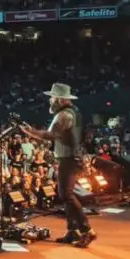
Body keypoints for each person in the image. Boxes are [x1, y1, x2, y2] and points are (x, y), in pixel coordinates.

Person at [18, 84, 94, 247]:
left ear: (59, 99)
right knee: (66, 195)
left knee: (66, 194)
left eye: (52, 98)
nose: (50, 101)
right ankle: (73, 231)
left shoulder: (63, 116)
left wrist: (30, 131)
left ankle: (86, 229)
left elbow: (50, 135)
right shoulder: (73, 113)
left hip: (70, 159)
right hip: (72, 158)